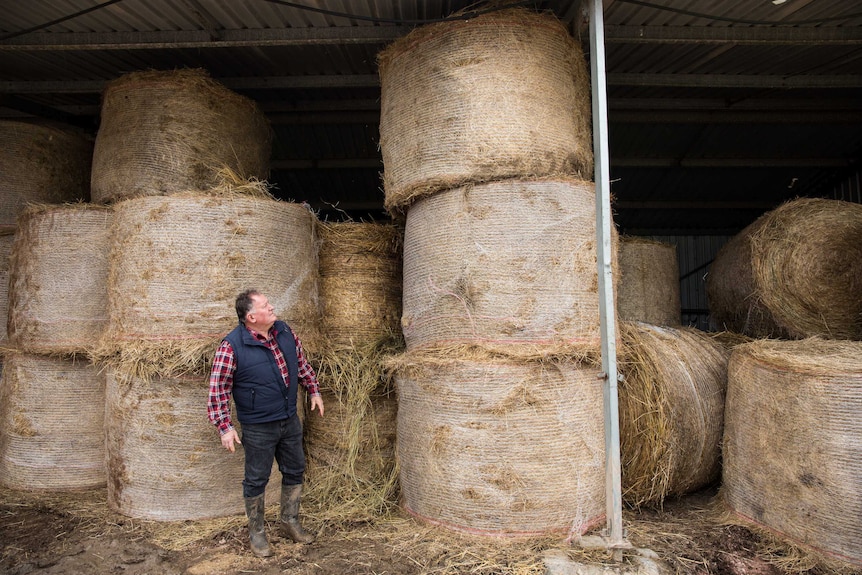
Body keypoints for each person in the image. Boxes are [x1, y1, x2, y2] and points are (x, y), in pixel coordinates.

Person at [207, 289, 324, 557]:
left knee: (295, 469)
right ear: (251, 316)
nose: (272, 307)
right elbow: (218, 389)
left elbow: (301, 363)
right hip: (259, 426)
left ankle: (290, 521)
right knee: (256, 479)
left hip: (288, 418)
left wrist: (313, 390)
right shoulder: (232, 346)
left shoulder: (284, 331)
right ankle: (257, 533)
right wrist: (224, 426)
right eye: (266, 305)